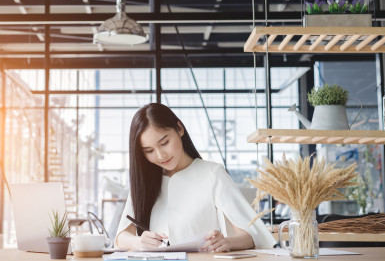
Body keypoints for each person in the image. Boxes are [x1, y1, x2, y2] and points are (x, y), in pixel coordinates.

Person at [115, 103, 276, 251]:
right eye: (149, 151)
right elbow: (121, 237)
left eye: (164, 143)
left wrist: (227, 242)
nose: (160, 155)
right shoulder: (145, 182)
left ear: (179, 129)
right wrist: (138, 242)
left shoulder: (213, 174)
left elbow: (252, 234)